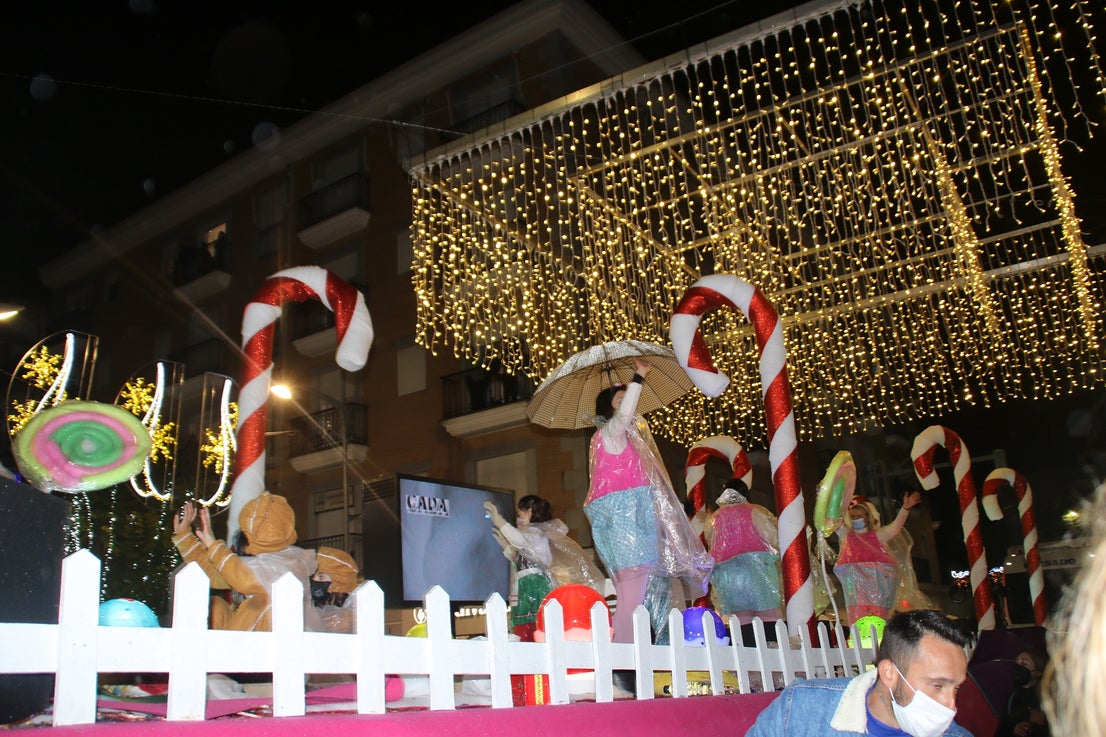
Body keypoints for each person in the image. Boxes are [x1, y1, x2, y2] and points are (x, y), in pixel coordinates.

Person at [583, 357, 713, 651]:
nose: (626, 404)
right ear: (612, 407)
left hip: (633, 521)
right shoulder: (610, 433)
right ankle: (624, 659)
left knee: (638, 593)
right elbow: (626, 413)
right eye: (620, 399)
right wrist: (638, 378)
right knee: (632, 594)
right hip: (626, 522)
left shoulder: (622, 440)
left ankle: (635, 652)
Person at [747, 608, 972, 737]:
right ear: (890, 674)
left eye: (956, 688)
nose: (951, 705)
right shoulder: (801, 709)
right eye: (937, 686)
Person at [172, 492, 323, 632]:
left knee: (256, 605)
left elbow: (244, 577)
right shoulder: (261, 562)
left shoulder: (289, 561)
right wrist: (184, 535)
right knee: (216, 607)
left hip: (276, 646)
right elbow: (216, 573)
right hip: (252, 644)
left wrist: (214, 546)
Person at [483, 494, 605, 641]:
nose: (517, 519)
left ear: (529, 513)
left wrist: (499, 520)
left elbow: (519, 540)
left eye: (519, 514)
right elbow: (521, 557)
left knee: (531, 627)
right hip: (525, 586)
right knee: (524, 628)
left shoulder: (537, 534)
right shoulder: (534, 535)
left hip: (533, 587)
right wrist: (506, 546)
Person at [704, 477, 784, 630]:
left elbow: (712, 545)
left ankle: (747, 647)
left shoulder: (715, 518)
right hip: (757, 572)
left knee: (741, 620)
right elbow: (772, 538)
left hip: (729, 578)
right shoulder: (755, 511)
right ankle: (772, 647)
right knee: (769, 616)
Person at [834, 491, 924, 625]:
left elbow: (895, 528)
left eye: (859, 515)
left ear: (867, 516)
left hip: (878, 594)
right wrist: (827, 496)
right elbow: (833, 521)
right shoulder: (847, 536)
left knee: (879, 621)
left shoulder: (878, 536)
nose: (855, 518)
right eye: (853, 516)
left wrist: (905, 509)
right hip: (856, 596)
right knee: (858, 623)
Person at [994, 648, 1049, 737]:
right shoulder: (1011, 698)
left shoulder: (1048, 698)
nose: (1018, 667)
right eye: (1016, 663)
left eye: (1024, 664)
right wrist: (1013, 730)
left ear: (1038, 672)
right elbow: (1000, 731)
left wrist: (1044, 723)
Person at [311, 546, 362, 634]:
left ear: (339, 581)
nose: (314, 581)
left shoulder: (347, 617)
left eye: (320, 577)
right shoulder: (315, 608)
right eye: (313, 576)